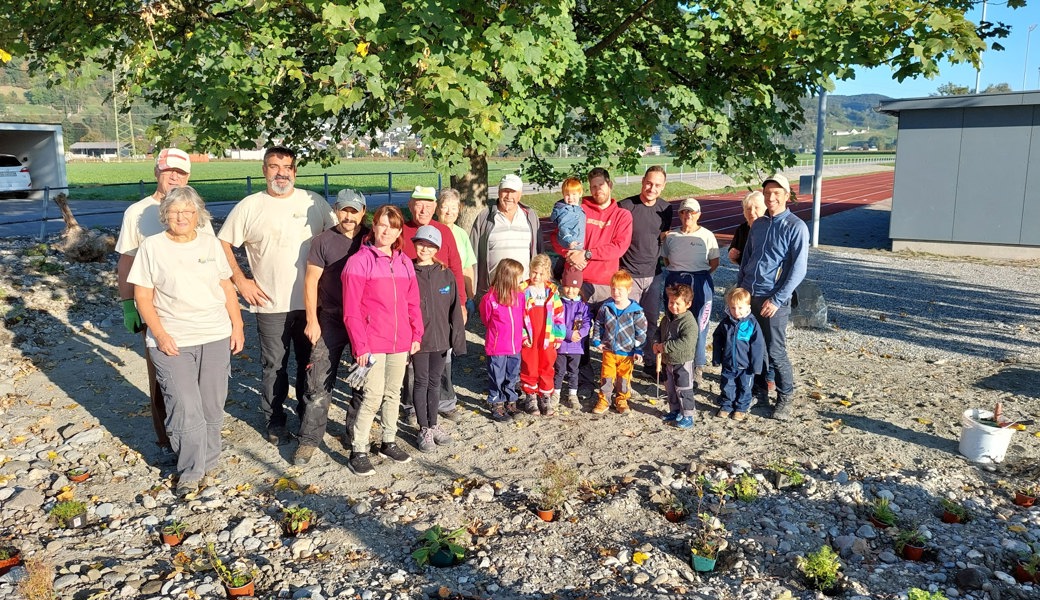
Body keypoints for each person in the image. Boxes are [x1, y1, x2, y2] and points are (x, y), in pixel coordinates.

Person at [127, 186, 244, 498]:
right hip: (172, 340)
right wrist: (161, 334)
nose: (181, 217)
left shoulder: (210, 244)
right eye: (175, 211)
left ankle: (210, 460)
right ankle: (191, 470)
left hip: (215, 335)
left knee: (212, 403)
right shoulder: (152, 247)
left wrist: (238, 325)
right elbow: (142, 296)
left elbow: (226, 287)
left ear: (197, 216)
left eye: (188, 212)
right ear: (165, 215)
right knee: (184, 406)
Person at [219, 146, 336, 446]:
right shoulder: (250, 206)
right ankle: (275, 420)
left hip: (312, 304)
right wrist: (241, 280)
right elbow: (222, 244)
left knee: (310, 363)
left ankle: (306, 419)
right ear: (264, 170)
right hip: (270, 304)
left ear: (295, 171)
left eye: (288, 167)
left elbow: (337, 240)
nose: (281, 173)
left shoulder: (315, 203)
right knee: (275, 366)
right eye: (274, 166)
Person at [115, 148, 214, 461]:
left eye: (181, 172)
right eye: (169, 170)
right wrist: (128, 303)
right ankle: (167, 438)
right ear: (157, 171)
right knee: (163, 378)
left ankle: (198, 434)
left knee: (198, 379)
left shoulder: (195, 209)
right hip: (156, 308)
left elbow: (211, 257)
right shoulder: (138, 213)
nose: (175, 176)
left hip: (197, 308)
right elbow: (126, 262)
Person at [342, 205, 423, 475]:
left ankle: (388, 441)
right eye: (382, 224)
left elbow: (413, 302)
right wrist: (360, 346)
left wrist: (416, 334)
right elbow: (351, 310)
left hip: (400, 341)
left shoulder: (404, 262)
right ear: (373, 226)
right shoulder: (359, 262)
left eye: (393, 226)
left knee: (394, 393)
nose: (387, 230)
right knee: (372, 395)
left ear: (400, 231)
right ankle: (359, 449)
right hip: (373, 342)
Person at [297, 189, 370, 465]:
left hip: (365, 321)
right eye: (344, 210)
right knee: (318, 381)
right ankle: (309, 439)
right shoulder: (322, 241)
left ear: (363, 212)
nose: (348, 216)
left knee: (363, 381)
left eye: (354, 210)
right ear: (336, 211)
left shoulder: (372, 238)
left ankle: (355, 433)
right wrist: (311, 320)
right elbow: (311, 281)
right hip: (330, 318)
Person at [737, 173, 809, 421]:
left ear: (786, 196)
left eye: (777, 193)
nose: (771, 197)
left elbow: (798, 269)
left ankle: (785, 397)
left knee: (775, 350)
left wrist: (777, 299)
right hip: (750, 296)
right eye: (767, 193)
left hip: (773, 299)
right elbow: (747, 258)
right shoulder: (758, 224)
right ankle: (760, 392)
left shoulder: (796, 227)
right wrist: (741, 290)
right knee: (753, 347)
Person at [399, 186, 466, 423]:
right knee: (413, 365)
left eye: (429, 204)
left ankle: (444, 402)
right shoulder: (402, 230)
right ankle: (411, 406)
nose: (424, 209)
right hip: (413, 308)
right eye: (419, 204)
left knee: (441, 357)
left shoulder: (443, 232)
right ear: (410, 205)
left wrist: (462, 304)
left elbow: (456, 267)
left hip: (440, 299)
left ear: (435, 208)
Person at [410, 225, 466, 452]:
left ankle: (433, 424)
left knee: (435, 383)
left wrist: (457, 340)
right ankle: (423, 427)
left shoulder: (445, 274)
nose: (425, 248)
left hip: (441, 339)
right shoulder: (408, 271)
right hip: (418, 340)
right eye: (421, 243)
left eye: (430, 245)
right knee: (421, 382)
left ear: (437, 249)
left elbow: (454, 310)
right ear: (415, 244)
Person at [553, 167, 634, 307]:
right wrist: (569, 254)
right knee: (577, 327)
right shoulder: (578, 209)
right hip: (577, 283)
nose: (597, 190)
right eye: (593, 187)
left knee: (603, 328)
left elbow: (619, 247)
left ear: (610, 185)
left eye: (601, 185)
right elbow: (556, 237)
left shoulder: (622, 215)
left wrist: (587, 254)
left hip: (606, 285)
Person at [660, 198, 719, 387]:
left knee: (699, 325)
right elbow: (666, 260)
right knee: (674, 323)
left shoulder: (707, 235)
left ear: (698, 214)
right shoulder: (671, 236)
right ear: (680, 214)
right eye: (684, 212)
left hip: (699, 281)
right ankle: (673, 364)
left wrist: (698, 274)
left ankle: (698, 366)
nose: (688, 216)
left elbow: (714, 263)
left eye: (692, 212)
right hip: (676, 280)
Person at [618, 166, 673, 372]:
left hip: (653, 275)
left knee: (650, 320)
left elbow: (662, 237)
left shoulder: (666, 209)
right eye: (649, 183)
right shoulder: (625, 206)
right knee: (627, 320)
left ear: (663, 186)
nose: (652, 188)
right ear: (642, 181)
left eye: (657, 185)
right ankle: (625, 363)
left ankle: (649, 361)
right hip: (628, 274)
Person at [470, 174, 543, 300]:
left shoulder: (530, 216)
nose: (508, 196)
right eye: (505, 191)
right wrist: (472, 291)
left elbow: (540, 252)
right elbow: (472, 255)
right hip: (494, 291)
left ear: (519, 194)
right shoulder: (485, 217)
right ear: (499, 192)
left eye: (513, 192)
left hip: (524, 290)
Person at [589, 270, 647, 415]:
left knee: (624, 379)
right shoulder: (606, 307)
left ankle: (621, 400)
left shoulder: (636, 312)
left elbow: (641, 332)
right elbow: (598, 324)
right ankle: (604, 400)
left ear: (628, 290)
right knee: (607, 377)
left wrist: (638, 350)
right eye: (613, 289)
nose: (616, 292)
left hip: (627, 352)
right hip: (609, 350)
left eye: (620, 289)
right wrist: (596, 340)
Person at [479, 258, 525, 422]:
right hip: (497, 346)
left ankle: (510, 400)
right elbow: (486, 319)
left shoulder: (520, 296)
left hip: (515, 345)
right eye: (519, 276)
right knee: (497, 375)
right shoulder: (489, 298)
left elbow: (522, 317)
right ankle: (496, 401)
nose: (521, 280)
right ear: (508, 277)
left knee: (512, 374)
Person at [519, 254, 565, 416]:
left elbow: (559, 314)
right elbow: (518, 316)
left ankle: (545, 395)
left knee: (547, 365)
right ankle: (530, 396)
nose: (536, 277)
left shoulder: (551, 291)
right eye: (534, 272)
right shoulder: (523, 290)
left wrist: (559, 335)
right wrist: (523, 335)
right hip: (530, 338)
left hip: (547, 337)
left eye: (540, 274)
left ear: (547, 275)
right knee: (529, 365)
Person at [712, 287, 766, 421]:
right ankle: (726, 405)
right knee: (727, 386)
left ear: (748, 307)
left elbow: (758, 346)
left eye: (740, 308)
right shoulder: (726, 323)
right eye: (733, 308)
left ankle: (741, 408)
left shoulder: (752, 324)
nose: (736, 312)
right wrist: (717, 357)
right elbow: (717, 339)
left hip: (746, 366)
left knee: (745, 388)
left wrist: (757, 366)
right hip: (729, 363)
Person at [653, 283, 699, 429]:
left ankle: (688, 415)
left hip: (682, 362)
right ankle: (674, 410)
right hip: (668, 361)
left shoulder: (689, 322)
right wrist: (655, 343)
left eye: (678, 303)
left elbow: (686, 342)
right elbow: (658, 332)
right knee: (670, 388)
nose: (673, 306)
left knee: (684, 389)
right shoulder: (666, 318)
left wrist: (665, 347)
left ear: (688, 304)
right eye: (671, 302)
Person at [435, 188, 478, 315]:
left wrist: (470, 297)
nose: (449, 212)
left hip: (459, 294)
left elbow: (467, 267)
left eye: (454, 208)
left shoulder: (461, 234)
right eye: (445, 207)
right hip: (438, 294)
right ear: (437, 209)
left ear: (459, 210)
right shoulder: (431, 232)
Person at [553, 270, 590, 410]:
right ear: (563, 285)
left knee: (574, 371)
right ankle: (556, 393)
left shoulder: (583, 306)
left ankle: (572, 394)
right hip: (561, 344)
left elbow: (587, 322)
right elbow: (556, 322)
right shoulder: (559, 303)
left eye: (575, 287)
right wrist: (568, 334)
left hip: (576, 346)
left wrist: (580, 333)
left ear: (579, 288)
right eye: (568, 286)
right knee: (559, 370)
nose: (571, 290)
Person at [549, 177, 586, 282]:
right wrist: (569, 241)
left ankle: (559, 274)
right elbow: (563, 227)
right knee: (572, 270)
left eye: (574, 194)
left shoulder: (577, 208)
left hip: (578, 243)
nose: (570, 198)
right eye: (567, 195)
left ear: (580, 193)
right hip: (572, 243)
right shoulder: (566, 211)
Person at [728, 191, 766, 265]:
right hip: (745, 273)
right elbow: (733, 248)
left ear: (765, 209)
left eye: (756, 208)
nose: (752, 212)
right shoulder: (741, 229)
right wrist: (732, 253)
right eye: (748, 208)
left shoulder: (771, 229)